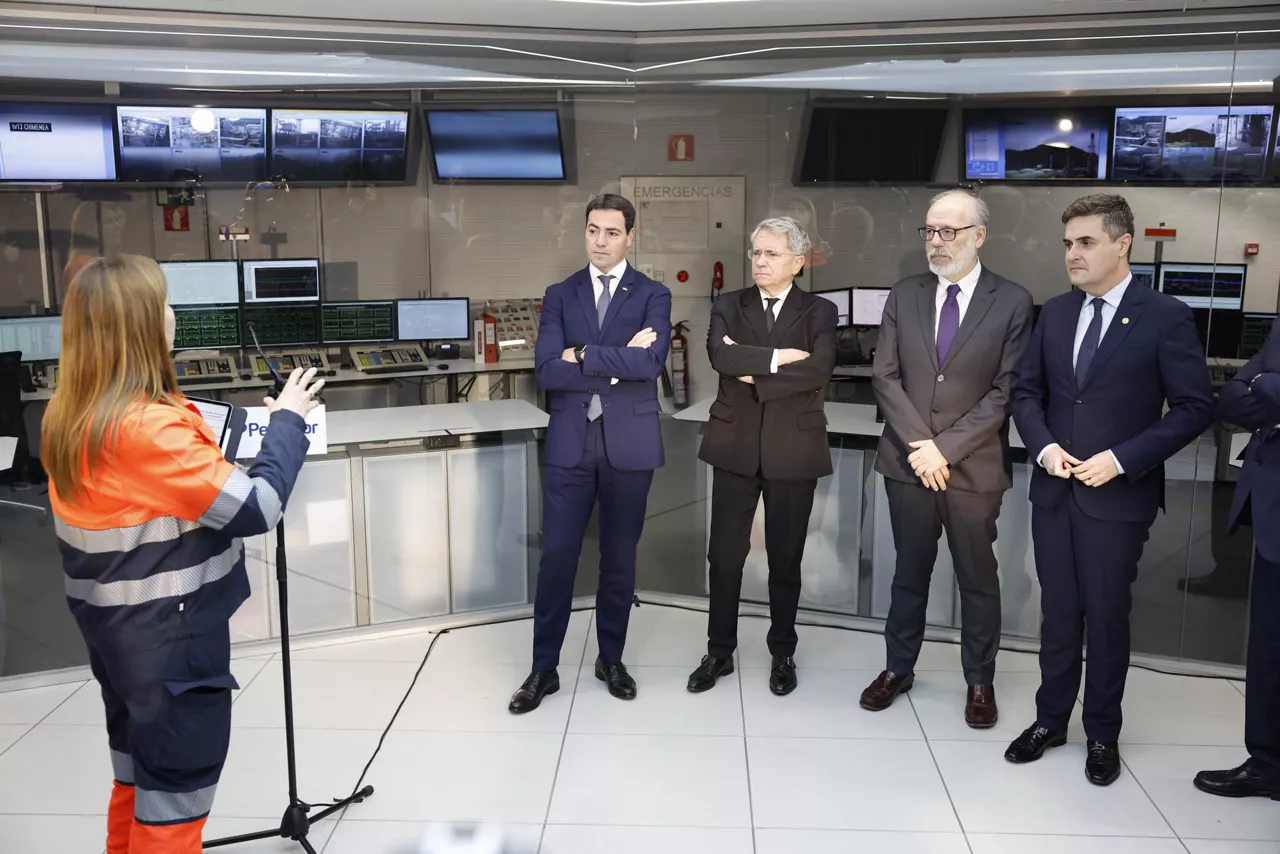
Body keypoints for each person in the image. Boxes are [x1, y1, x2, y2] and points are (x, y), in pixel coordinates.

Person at [41, 255, 322, 853]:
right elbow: (255, 508)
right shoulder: (143, 430)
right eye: (163, 303)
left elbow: (154, 482)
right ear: (140, 326)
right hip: (169, 651)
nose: (172, 313)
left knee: (138, 782)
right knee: (174, 807)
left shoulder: (70, 415)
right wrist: (289, 424)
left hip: (117, 641)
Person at [1008, 194, 1213, 785]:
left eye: (1086, 242)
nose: (1072, 254)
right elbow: (1028, 394)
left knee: (1106, 616)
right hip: (1054, 491)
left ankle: (1102, 732)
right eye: (1068, 243)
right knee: (1057, 614)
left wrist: (1122, 460)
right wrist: (1044, 448)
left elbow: (1195, 407)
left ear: (1122, 244)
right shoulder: (1056, 314)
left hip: (1117, 498)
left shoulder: (1164, 315)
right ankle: (1051, 721)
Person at [863, 190, 1034, 727]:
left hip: (972, 468)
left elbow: (1006, 391)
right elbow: (884, 377)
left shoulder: (1012, 301)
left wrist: (945, 448)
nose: (937, 242)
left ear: (978, 236)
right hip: (908, 466)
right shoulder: (905, 293)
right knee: (908, 574)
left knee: (978, 579)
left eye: (949, 232)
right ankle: (898, 668)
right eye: (930, 231)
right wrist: (922, 448)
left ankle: (979, 681)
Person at [510, 194, 672, 714]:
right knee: (557, 557)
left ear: (631, 236)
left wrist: (580, 353)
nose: (600, 241)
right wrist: (617, 359)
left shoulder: (653, 294)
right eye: (592, 230)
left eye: (611, 232)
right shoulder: (561, 294)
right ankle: (543, 668)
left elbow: (650, 364)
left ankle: (611, 658)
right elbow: (545, 370)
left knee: (619, 559)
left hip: (630, 443)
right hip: (569, 443)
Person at [687, 216, 837, 697]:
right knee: (725, 557)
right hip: (734, 446)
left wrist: (751, 365)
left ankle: (783, 652)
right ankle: (718, 652)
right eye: (756, 253)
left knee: (785, 559)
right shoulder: (729, 303)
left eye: (771, 254)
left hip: (793, 447)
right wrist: (778, 359)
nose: (760, 262)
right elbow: (720, 357)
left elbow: (819, 369)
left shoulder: (821, 311)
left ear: (797, 262)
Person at [1194, 323, 1280, 800]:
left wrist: (1269, 387)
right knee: (1268, 650)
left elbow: (1262, 386)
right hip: (1272, 512)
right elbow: (1234, 399)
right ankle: (1268, 763)